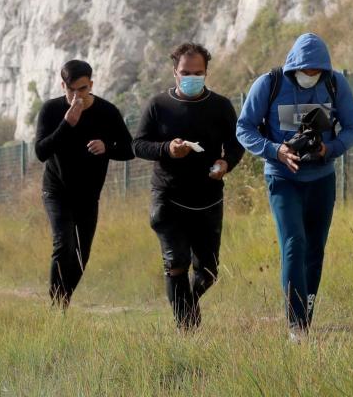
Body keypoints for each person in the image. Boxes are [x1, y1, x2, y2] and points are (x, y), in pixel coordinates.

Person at [236, 33, 353, 340]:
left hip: (321, 178)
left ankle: (305, 318)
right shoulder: (269, 84)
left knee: (315, 249)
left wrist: (328, 149)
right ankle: (296, 326)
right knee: (294, 244)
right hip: (282, 178)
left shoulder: (336, 84)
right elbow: (244, 128)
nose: (310, 75)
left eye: (316, 71)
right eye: (306, 70)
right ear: (294, 66)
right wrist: (275, 150)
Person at [132, 42, 244, 330]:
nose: (191, 77)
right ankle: (187, 331)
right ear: (175, 72)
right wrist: (168, 148)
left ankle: (188, 306)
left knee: (208, 273)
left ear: (206, 73)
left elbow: (235, 145)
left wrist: (225, 164)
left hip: (208, 199)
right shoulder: (158, 105)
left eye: (198, 72)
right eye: (185, 72)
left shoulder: (220, 106)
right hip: (168, 197)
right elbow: (139, 145)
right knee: (176, 263)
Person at [34, 59, 134, 308]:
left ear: (91, 84)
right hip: (56, 190)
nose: (76, 95)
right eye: (71, 90)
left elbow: (129, 149)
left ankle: (64, 298)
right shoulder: (51, 110)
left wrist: (107, 147)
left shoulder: (108, 112)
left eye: (82, 89)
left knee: (81, 255)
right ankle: (57, 307)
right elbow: (40, 152)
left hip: (88, 195)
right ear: (62, 86)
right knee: (63, 243)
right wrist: (67, 124)